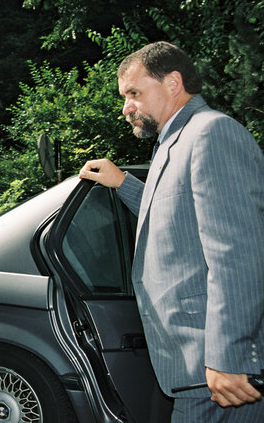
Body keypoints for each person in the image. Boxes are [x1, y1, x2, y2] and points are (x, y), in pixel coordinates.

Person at [79, 41, 263, 422]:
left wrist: (228, 355)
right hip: (194, 367)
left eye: (133, 93)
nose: (126, 107)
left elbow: (237, 253)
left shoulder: (212, 133)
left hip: (214, 368)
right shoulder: (174, 141)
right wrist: (124, 184)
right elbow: (178, 216)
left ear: (173, 83)